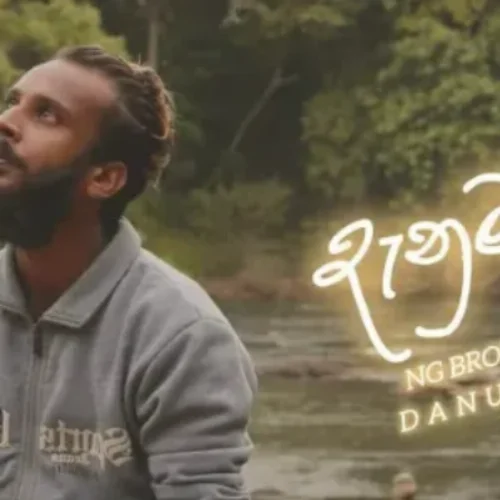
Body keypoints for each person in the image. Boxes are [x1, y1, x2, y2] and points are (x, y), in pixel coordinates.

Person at [0, 45, 257, 499]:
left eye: (46, 115)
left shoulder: (181, 337)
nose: (7, 122)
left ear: (103, 178)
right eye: (12, 102)